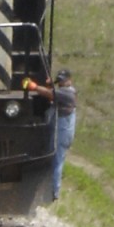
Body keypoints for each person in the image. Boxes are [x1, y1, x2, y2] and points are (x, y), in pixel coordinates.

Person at [23, 68, 77, 199]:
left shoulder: (68, 94)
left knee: (57, 161)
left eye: (63, 81)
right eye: (59, 82)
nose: (61, 84)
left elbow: (50, 94)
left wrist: (34, 86)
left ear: (69, 80)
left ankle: (54, 192)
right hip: (60, 130)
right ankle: (47, 188)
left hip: (63, 133)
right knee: (52, 158)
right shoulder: (63, 92)